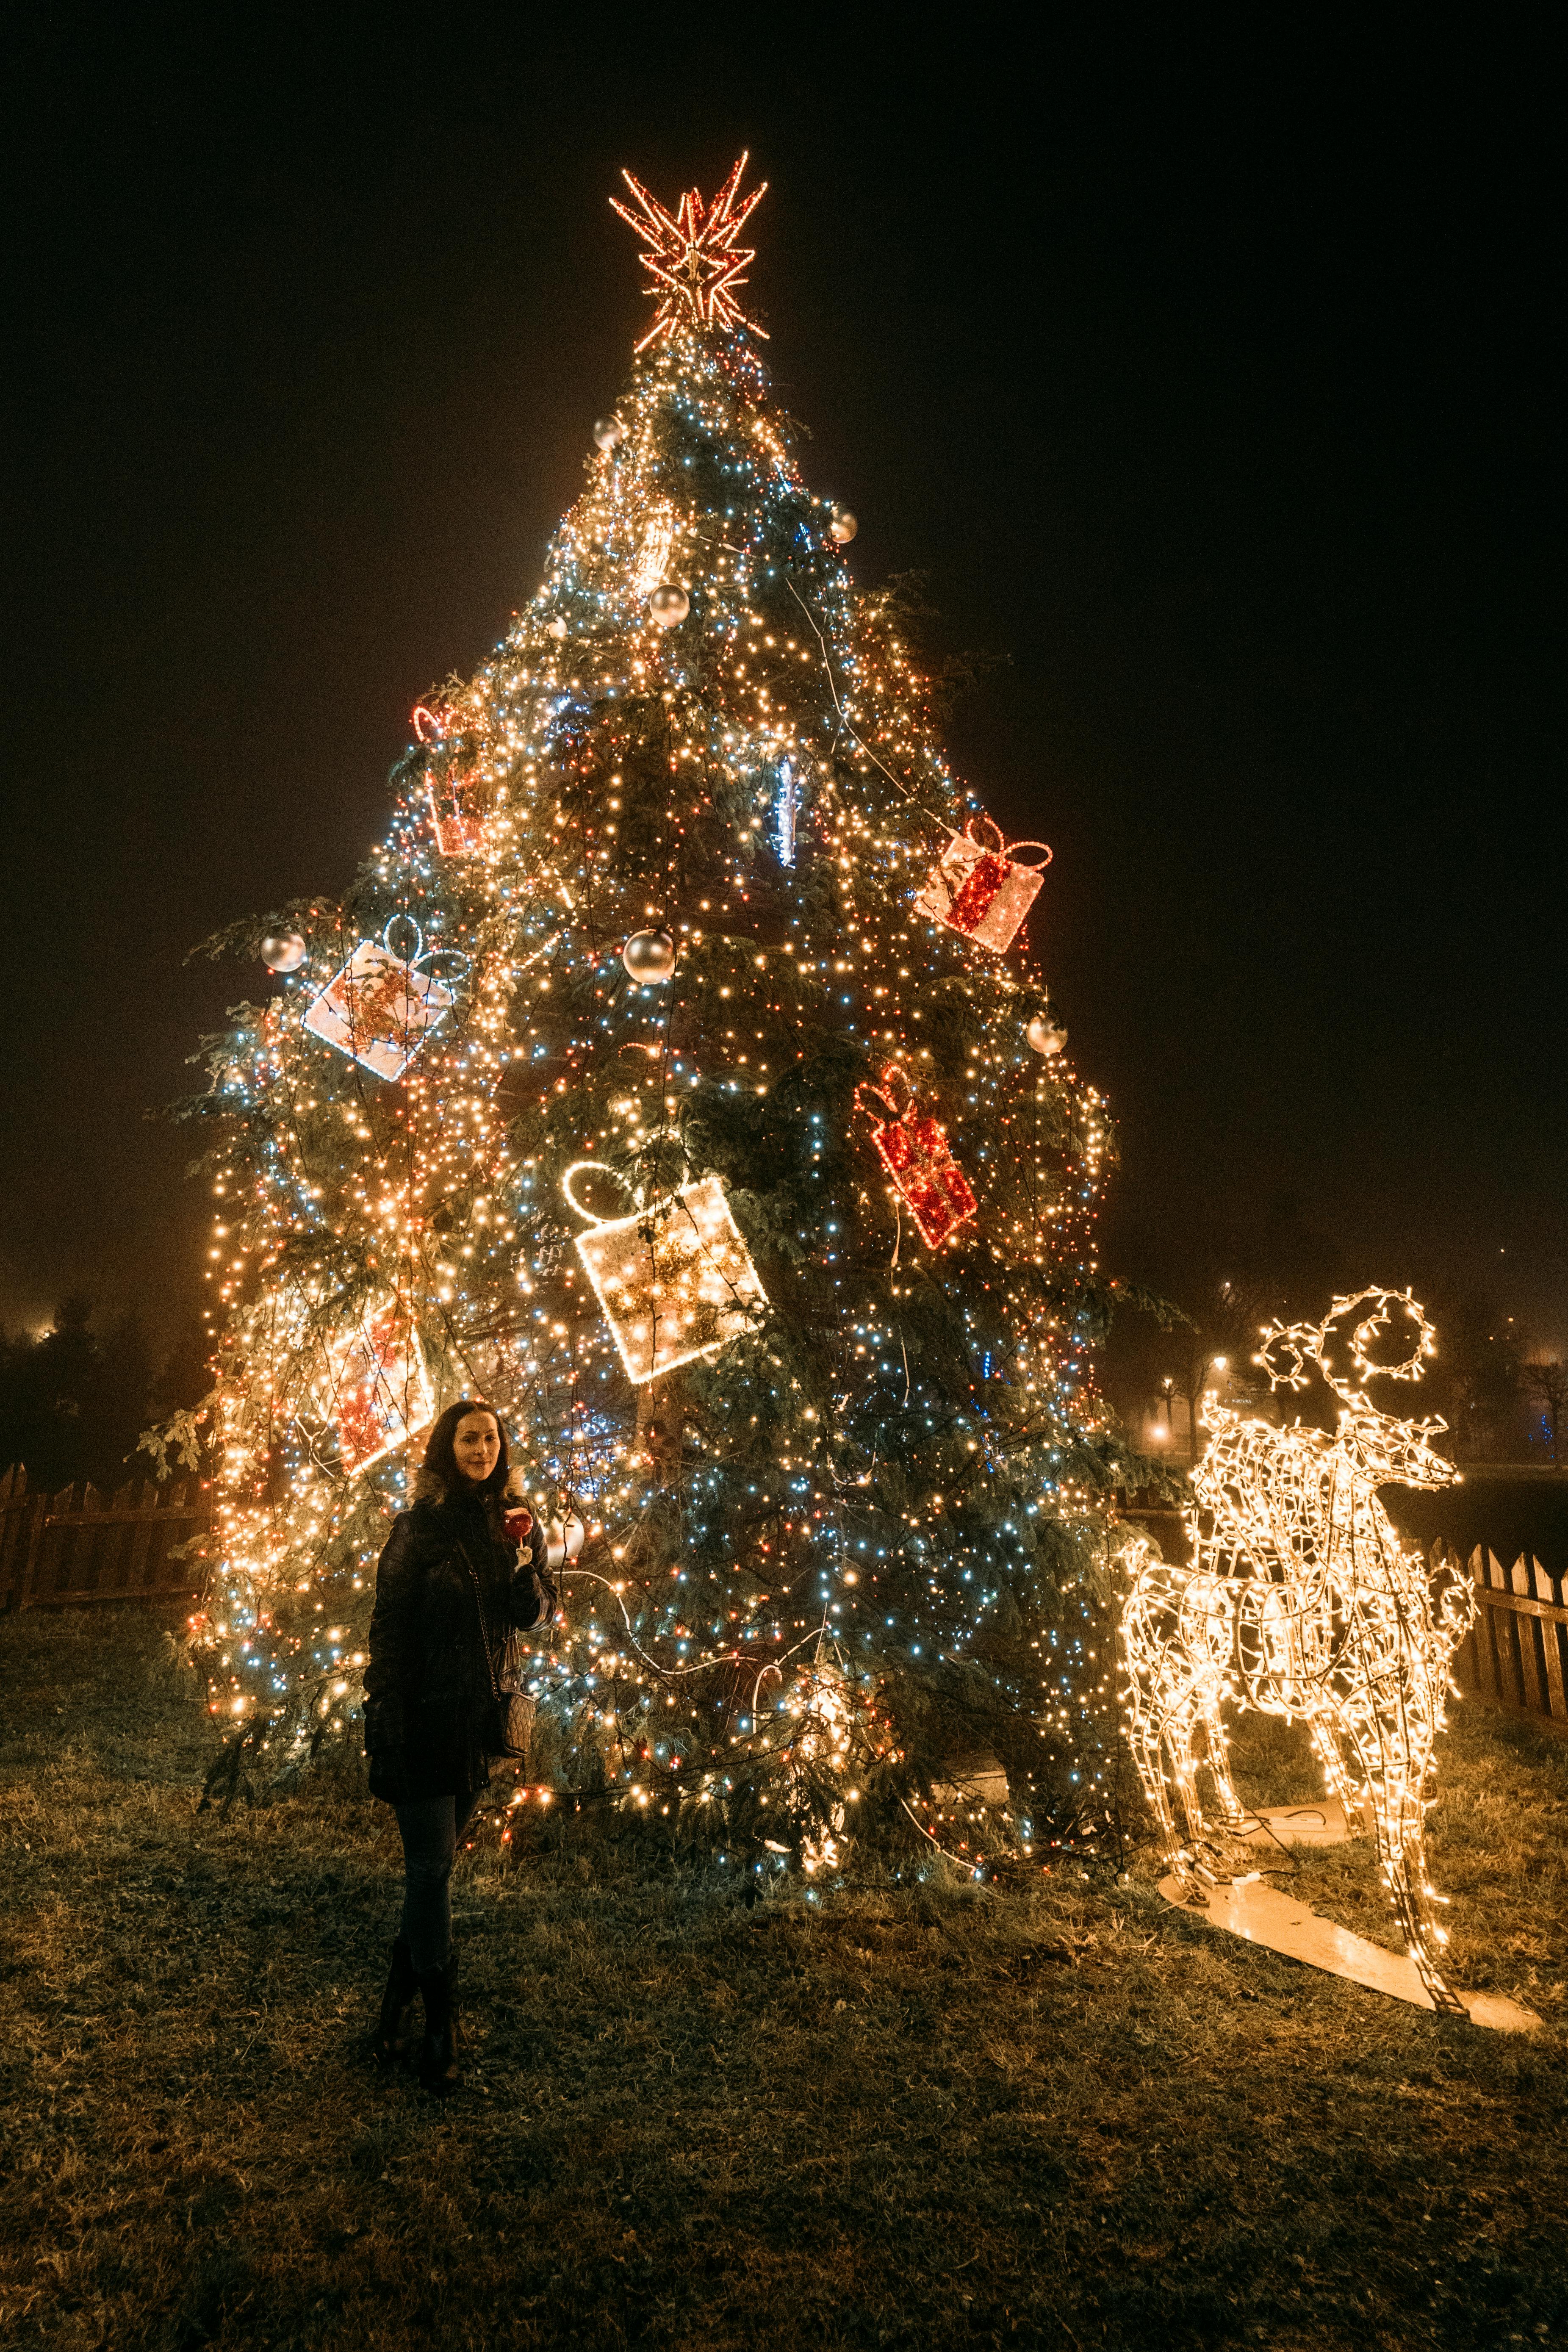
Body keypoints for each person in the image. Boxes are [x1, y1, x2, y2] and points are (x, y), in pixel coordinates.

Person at [362, 1399, 554, 2093]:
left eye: (491, 1438)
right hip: (421, 1716)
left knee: (431, 1875)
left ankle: (392, 2006)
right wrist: (382, 1706)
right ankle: (440, 2025)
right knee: (432, 1868)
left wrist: (529, 1575)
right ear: (448, 1447)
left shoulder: (514, 1522)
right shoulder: (419, 1528)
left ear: (502, 1448)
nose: (481, 1448)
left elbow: (532, 1617)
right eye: (468, 1438)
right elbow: (386, 1625)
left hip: (481, 1721)